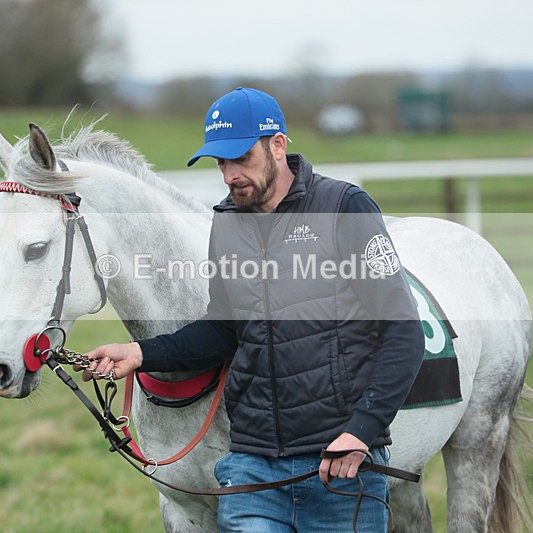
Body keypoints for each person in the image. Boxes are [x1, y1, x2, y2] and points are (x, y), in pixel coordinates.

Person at [83, 87, 425, 532]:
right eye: (221, 162)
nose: (229, 174)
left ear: (277, 145)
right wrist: (141, 353)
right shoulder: (226, 222)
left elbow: (403, 335)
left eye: (240, 158)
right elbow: (224, 330)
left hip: (341, 470)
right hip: (250, 468)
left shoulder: (345, 207)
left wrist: (361, 432)